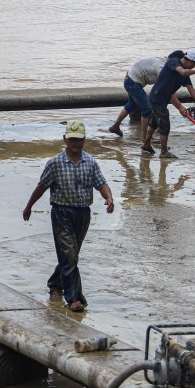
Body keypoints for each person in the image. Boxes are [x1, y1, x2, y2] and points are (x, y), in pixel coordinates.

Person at [22, 120, 115, 313]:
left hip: (83, 213)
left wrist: (109, 198)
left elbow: (101, 183)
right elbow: (41, 186)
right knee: (69, 254)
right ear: (65, 139)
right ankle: (74, 298)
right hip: (61, 212)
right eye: (72, 139)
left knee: (70, 255)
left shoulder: (90, 162)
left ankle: (55, 283)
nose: (75, 143)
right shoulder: (55, 163)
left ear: (84, 140)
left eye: (79, 140)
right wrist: (29, 206)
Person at [142, 49, 195, 159]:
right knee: (165, 125)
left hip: (163, 99)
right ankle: (164, 152)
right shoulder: (173, 61)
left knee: (154, 122)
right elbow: (181, 72)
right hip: (157, 97)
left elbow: (191, 90)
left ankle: (146, 144)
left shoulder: (186, 73)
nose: (194, 66)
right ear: (189, 60)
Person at [108, 50, 185, 139]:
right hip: (133, 82)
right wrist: (180, 107)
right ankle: (145, 139)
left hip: (130, 78)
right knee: (147, 109)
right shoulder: (162, 68)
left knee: (132, 104)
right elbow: (167, 91)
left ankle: (115, 126)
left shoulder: (164, 61)